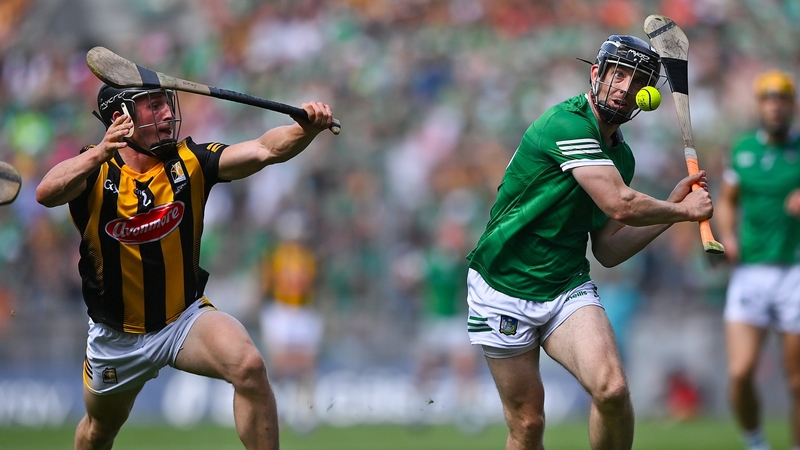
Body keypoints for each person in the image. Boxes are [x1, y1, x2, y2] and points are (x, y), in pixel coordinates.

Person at [35, 82, 332, 450]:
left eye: (166, 104)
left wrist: (305, 130)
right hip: (116, 338)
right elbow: (46, 193)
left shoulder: (189, 161)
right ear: (120, 119)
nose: (166, 114)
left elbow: (264, 149)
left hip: (182, 320)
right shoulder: (94, 170)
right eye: (153, 106)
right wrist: (99, 152)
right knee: (98, 431)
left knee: (249, 366)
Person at [464, 35, 714, 450]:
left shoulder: (622, 158)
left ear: (646, 94)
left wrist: (672, 210)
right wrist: (684, 211)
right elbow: (620, 203)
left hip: (565, 285)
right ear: (596, 74)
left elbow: (608, 249)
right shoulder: (567, 123)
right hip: (503, 286)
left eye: (637, 81)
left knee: (612, 390)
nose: (626, 88)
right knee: (527, 425)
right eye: (619, 75)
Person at [716, 70, 800, 450]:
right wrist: (728, 236)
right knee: (740, 372)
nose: (775, 106)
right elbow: (728, 202)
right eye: (768, 99)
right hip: (750, 272)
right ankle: (756, 443)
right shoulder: (743, 149)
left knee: (797, 381)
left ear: (792, 105)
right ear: (759, 105)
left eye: (781, 99)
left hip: (795, 272)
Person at [258, 209, 323, 433]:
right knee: (279, 366)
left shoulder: (307, 258)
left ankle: (305, 410)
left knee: (306, 366)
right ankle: (278, 408)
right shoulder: (276, 257)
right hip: (282, 310)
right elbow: (266, 285)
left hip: (301, 311)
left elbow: (311, 286)